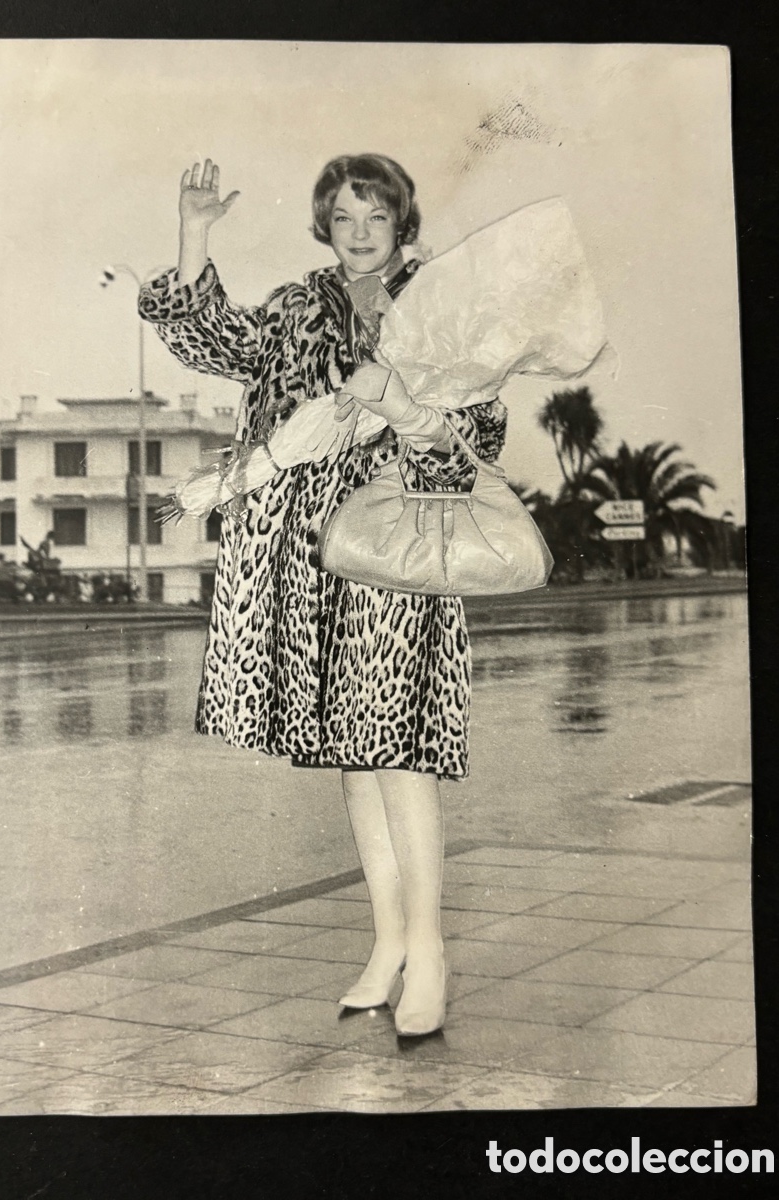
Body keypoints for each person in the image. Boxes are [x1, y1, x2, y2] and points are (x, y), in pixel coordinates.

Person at [139, 154, 507, 1037]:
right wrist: (194, 232)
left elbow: (484, 430)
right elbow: (211, 339)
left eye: (376, 215)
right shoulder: (299, 305)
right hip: (307, 552)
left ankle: (430, 954)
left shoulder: (444, 307)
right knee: (354, 754)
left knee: (399, 750)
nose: (360, 231)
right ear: (325, 225)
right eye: (344, 216)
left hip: (401, 544)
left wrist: (416, 411)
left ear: (401, 223)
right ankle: (386, 945)